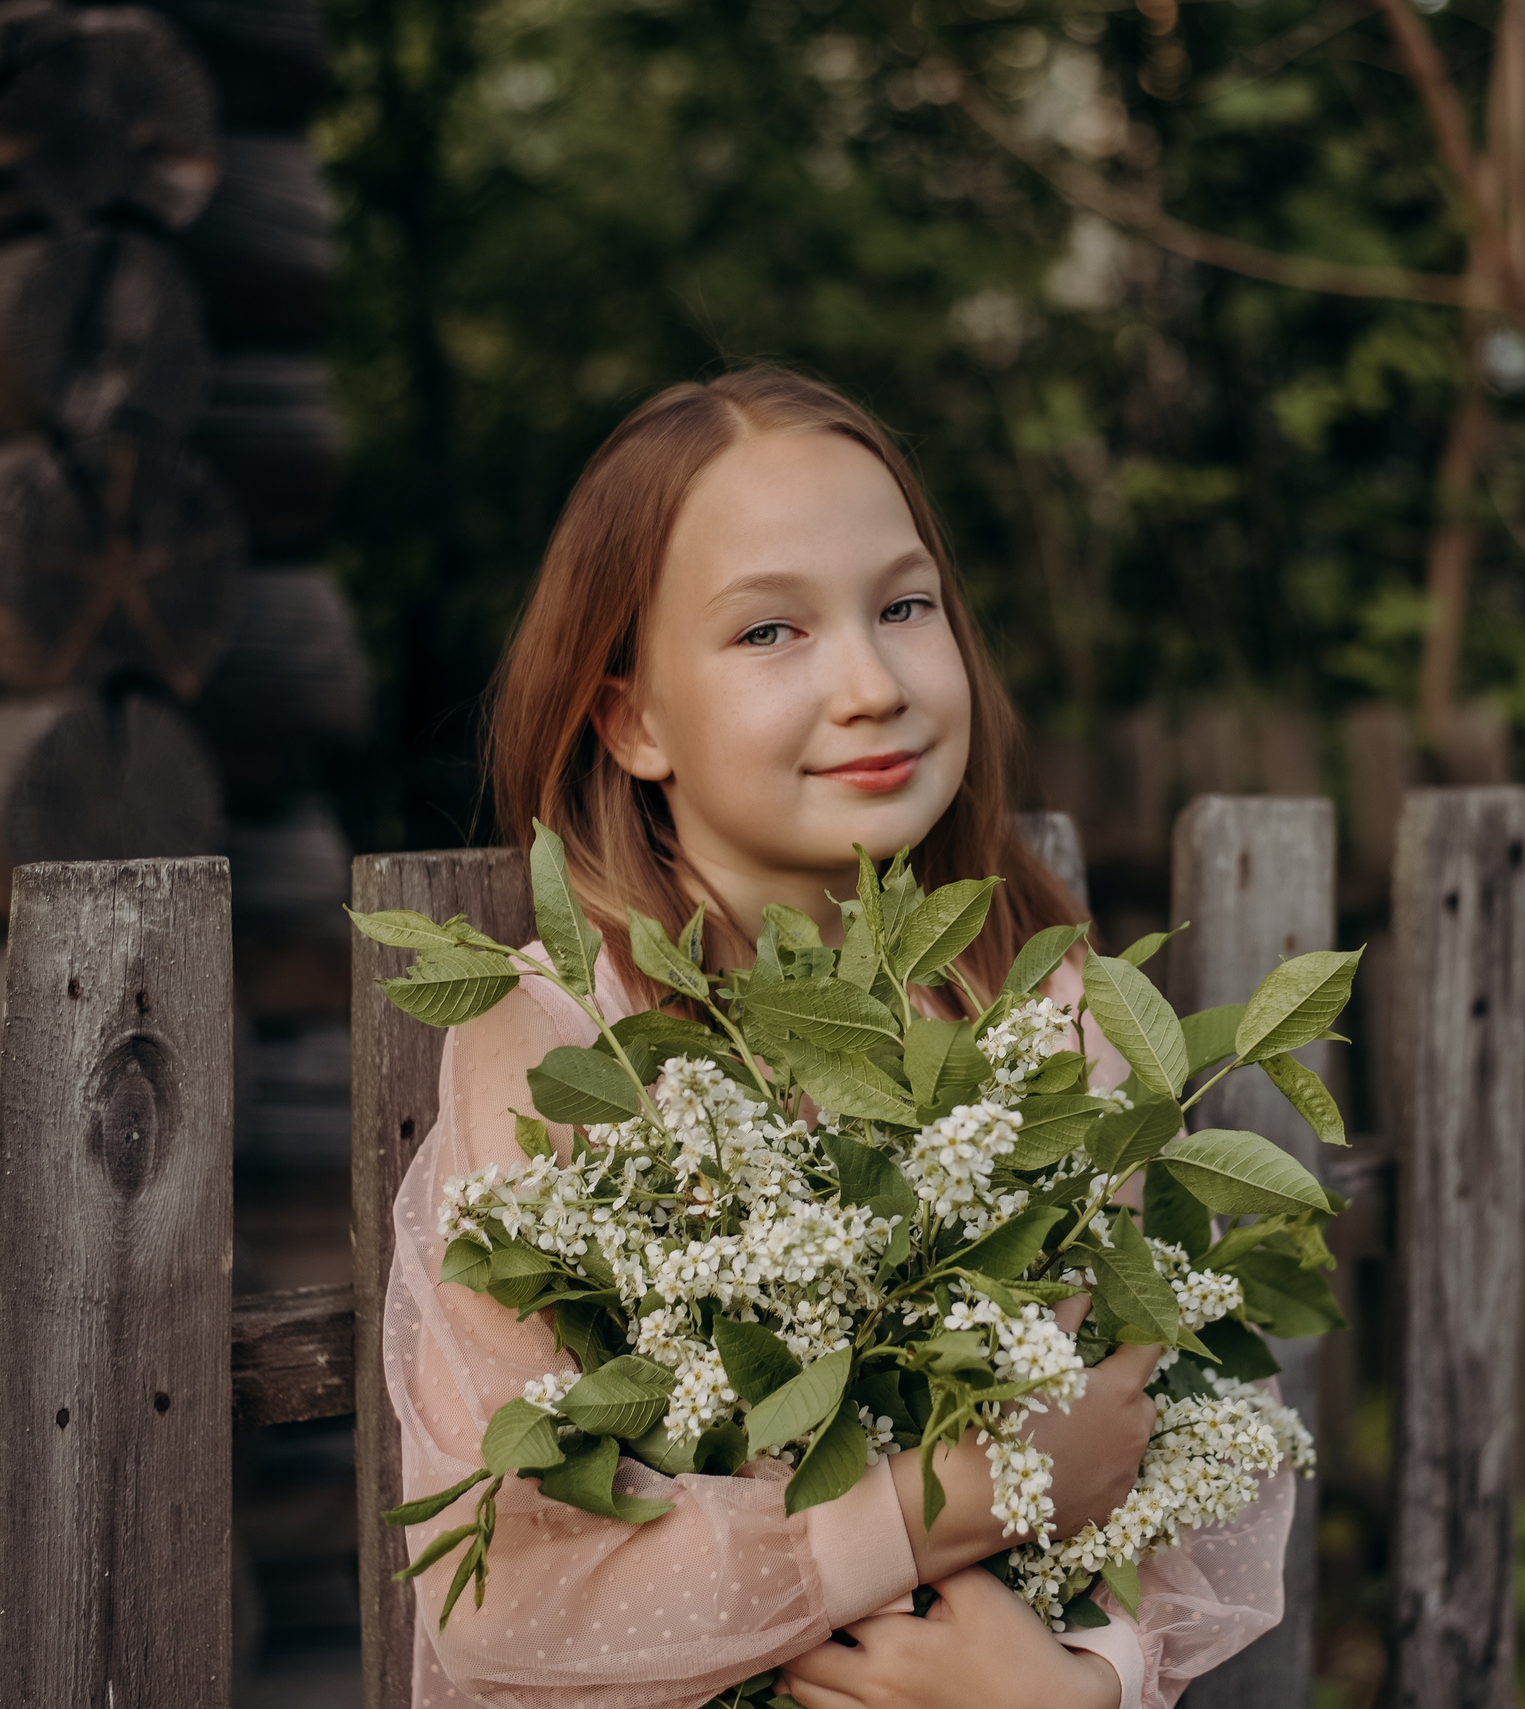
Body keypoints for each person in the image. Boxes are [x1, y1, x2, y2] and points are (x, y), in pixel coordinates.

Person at [384, 367, 1296, 1709]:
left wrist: (1078, 1686)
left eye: (905, 605)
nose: (871, 682)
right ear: (632, 716)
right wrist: (941, 1508)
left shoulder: (1040, 1010)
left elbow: (1147, 1456)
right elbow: (508, 1604)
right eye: (769, 632)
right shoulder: (570, 1037)